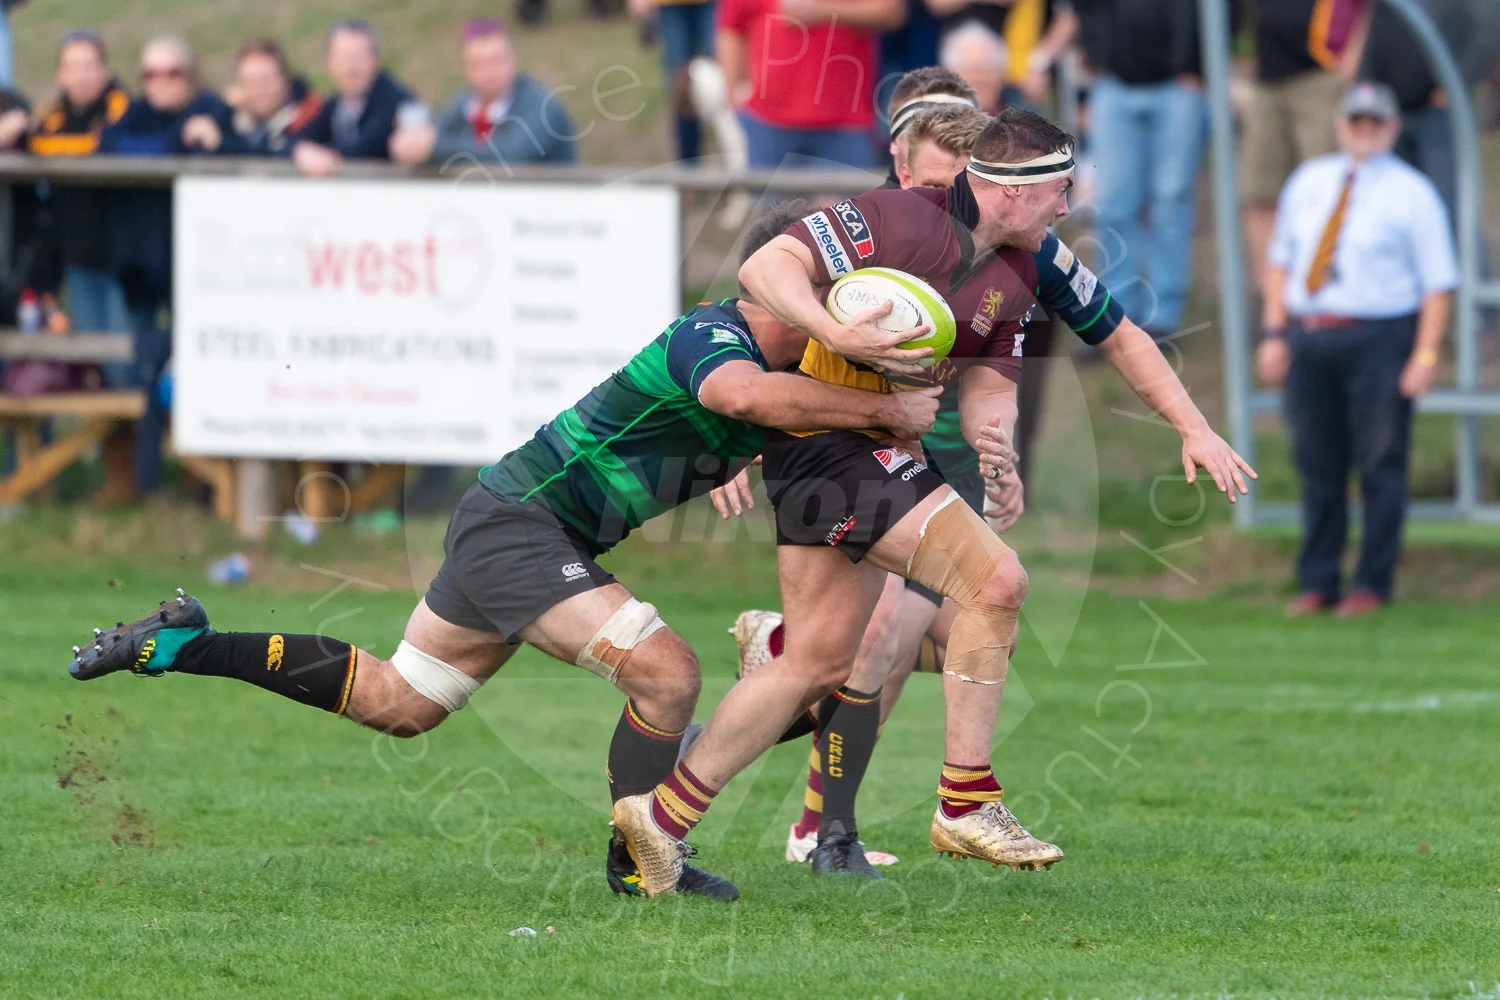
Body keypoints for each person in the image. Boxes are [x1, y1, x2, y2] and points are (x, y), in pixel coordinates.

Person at [66, 202, 941, 902]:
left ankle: (178, 643)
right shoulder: (712, 336)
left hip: (514, 527)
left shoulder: (792, 376)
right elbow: (747, 396)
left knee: (399, 701)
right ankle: (642, 863)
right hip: (523, 524)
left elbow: (777, 425)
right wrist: (878, 413)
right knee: (667, 674)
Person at [613, 108, 1255, 894]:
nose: (1067, 207)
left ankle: (662, 818)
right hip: (833, 445)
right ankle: (966, 800)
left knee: (814, 663)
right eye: (1058, 190)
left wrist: (1002, 447)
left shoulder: (1031, 263)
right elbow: (765, 268)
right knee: (998, 582)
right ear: (1008, 191)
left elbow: (1047, 362)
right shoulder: (896, 216)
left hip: (854, 455)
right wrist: (834, 333)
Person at [1256, 83, 1456, 618]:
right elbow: (1282, 262)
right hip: (1312, 331)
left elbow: (1438, 282)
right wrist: (1274, 331)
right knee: (1317, 462)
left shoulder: (1413, 192)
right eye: (1356, 121)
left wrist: (1426, 354)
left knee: (1380, 460)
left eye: (1374, 122)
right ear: (1342, 123)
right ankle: (1318, 580)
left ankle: (1372, 581)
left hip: (1381, 334)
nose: (1364, 130)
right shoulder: (1310, 180)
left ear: (1391, 128)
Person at [98, 35, 232, 497]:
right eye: (150, 74)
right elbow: (110, 144)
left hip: (203, 273)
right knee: (128, 371)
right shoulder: (134, 115)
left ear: (190, 76)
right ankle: (131, 482)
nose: (161, 83)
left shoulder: (212, 108)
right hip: (144, 270)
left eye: (172, 72)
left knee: (198, 373)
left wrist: (158, 145)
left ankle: (204, 483)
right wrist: (176, 141)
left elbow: (132, 147)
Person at [1073, 0, 1205, 338]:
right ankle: (1117, 316)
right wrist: (1095, 55)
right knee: (1114, 205)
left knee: (1171, 201)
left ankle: (1163, 316)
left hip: (1178, 85)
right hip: (1115, 84)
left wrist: (1198, 64)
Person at [27, 29, 131, 385]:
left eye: (89, 66)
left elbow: (104, 145)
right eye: (73, 67)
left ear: (104, 70)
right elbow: (40, 143)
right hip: (78, 262)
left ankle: (133, 442)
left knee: (125, 370)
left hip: (123, 263)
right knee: (94, 368)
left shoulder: (124, 111)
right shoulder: (50, 119)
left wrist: (46, 146)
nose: (82, 75)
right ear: (61, 75)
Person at [716, 0, 905, 169]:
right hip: (766, 122)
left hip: (845, 123)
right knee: (767, 207)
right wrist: (733, 93)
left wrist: (823, 11)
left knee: (847, 207)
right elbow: (732, 28)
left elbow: (891, 12)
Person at [1240, 0, 1348, 298]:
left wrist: (1351, 59)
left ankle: (1323, 293)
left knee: (1326, 192)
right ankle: (1272, 302)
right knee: (1259, 193)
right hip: (1268, 77)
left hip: (1321, 73)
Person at [419, 18, 576, 167]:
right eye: (479, 64)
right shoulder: (463, 104)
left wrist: (436, 146)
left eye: (497, 60)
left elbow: (511, 156)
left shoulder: (541, 106)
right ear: (465, 68)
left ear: (513, 59)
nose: (490, 72)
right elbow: (434, 135)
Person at [291, 20, 425, 177]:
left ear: (375, 60)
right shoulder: (334, 105)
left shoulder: (400, 101)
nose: (350, 68)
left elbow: (371, 144)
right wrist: (301, 150)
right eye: (343, 58)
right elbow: (299, 136)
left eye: (358, 57)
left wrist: (327, 157)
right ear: (329, 63)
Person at [184, 39, 321, 156]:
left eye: (266, 80)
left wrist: (222, 144)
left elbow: (272, 154)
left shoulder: (313, 119)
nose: (260, 89)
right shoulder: (234, 119)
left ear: (286, 79)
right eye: (250, 81)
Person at [628, 0, 715, 162]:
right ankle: (690, 172)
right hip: (670, 6)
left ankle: (740, 167)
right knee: (681, 92)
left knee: (722, 85)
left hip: (712, 5)